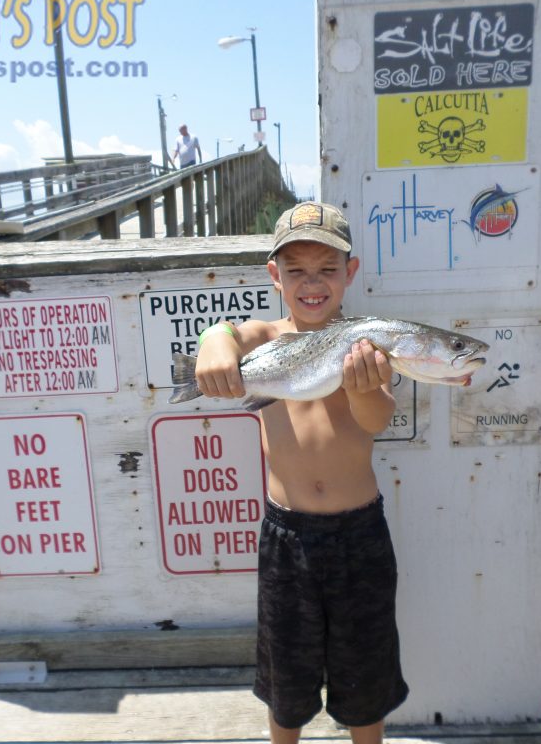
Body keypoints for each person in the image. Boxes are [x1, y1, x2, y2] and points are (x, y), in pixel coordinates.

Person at [193, 201, 409, 744]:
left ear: (349, 273)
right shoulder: (265, 337)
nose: (312, 284)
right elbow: (224, 335)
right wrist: (214, 341)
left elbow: (377, 419)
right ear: (275, 276)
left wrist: (362, 386)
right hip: (287, 537)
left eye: (327, 270)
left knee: (366, 675)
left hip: (360, 535)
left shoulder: (367, 340)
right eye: (296, 271)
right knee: (285, 680)